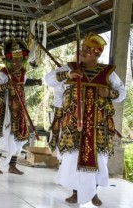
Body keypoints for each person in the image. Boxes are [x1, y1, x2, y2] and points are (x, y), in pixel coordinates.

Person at [45, 32, 126, 206]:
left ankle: (93, 193)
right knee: (73, 158)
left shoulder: (107, 73)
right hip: (75, 125)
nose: (83, 51)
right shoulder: (71, 68)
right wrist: (67, 76)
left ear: (97, 53)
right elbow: (49, 79)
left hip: (99, 126)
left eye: (88, 49)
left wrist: (110, 93)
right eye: (83, 48)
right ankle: (75, 193)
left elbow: (122, 92)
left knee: (98, 160)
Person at [0, 38, 42, 175]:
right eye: (14, 60)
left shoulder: (22, 72)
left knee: (17, 138)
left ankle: (12, 166)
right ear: (9, 60)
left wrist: (35, 81)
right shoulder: (3, 73)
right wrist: (6, 85)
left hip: (18, 108)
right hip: (5, 110)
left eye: (20, 60)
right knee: (4, 137)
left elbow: (23, 82)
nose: (17, 63)